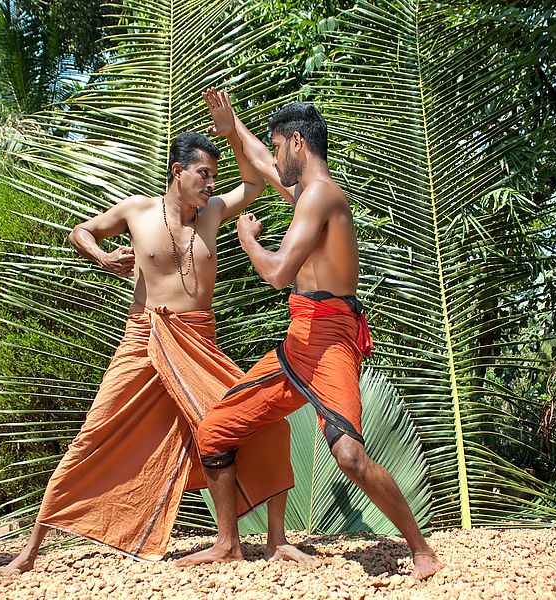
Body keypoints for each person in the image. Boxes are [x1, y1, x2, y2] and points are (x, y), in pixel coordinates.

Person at [3, 90, 310, 573]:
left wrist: (231, 133)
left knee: (267, 424)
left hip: (198, 343)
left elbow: (252, 183)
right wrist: (103, 258)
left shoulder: (212, 214)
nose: (211, 184)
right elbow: (80, 232)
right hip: (144, 341)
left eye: (213, 175)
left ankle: (274, 540)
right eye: (202, 175)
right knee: (94, 435)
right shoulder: (136, 212)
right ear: (177, 172)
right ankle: (33, 547)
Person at [176, 94, 445, 580]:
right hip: (299, 340)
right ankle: (228, 544)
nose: (276, 158)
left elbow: (279, 274)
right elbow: (259, 159)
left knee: (348, 454)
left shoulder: (320, 195)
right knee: (216, 431)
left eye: (281, 147)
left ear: (297, 143)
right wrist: (232, 124)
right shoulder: (308, 194)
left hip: (332, 338)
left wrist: (249, 242)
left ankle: (420, 547)